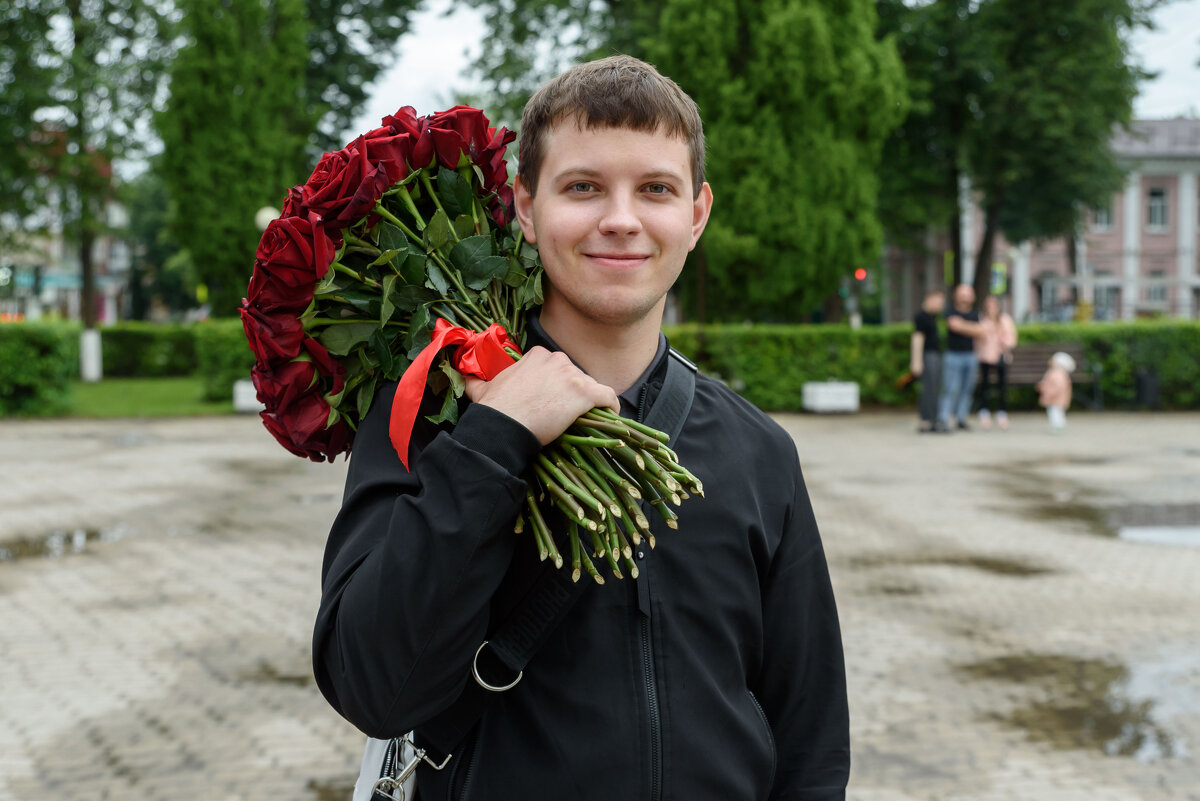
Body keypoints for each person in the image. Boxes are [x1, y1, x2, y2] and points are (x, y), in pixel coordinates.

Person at [312, 55, 850, 800]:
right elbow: (371, 687)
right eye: (584, 187)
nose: (621, 218)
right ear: (526, 209)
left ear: (696, 215)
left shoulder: (759, 451)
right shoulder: (434, 419)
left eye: (656, 189)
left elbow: (811, 736)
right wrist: (495, 441)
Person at [939, 283, 983, 431]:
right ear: (955, 296)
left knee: (967, 389)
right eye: (962, 293)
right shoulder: (950, 311)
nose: (964, 297)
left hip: (971, 356)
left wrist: (963, 326)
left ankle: (961, 418)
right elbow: (954, 326)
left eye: (967, 293)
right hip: (953, 355)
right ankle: (944, 418)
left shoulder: (976, 314)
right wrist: (972, 328)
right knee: (950, 388)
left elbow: (980, 331)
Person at [973, 295, 1018, 430]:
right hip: (985, 356)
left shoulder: (1004, 319)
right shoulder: (982, 320)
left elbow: (1011, 337)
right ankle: (983, 411)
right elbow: (978, 338)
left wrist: (1005, 342)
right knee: (985, 384)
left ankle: (1002, 412)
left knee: (1002, 385)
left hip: (1000, 356)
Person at [910, 287, 946, 433]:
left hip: (935, 356)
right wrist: (916, 360)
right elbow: (917, 338)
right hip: (928, 356)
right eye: (938, 301)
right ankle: (927, 421)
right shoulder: (922, 317)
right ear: (929, 299)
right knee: (928, 390)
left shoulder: (933, 317)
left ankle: (933, 420)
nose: (940, 305)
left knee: (934, 389)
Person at [1037, 351, 1076, 432]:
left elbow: (1056, 386)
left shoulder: (1056, 374)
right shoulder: (1059, 373)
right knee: (1057, 411)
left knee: (1055, 412)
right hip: (1057, 397)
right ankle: (1058, 424)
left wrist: (1048, 392)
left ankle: (1057, 425)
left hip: (1055, 397)